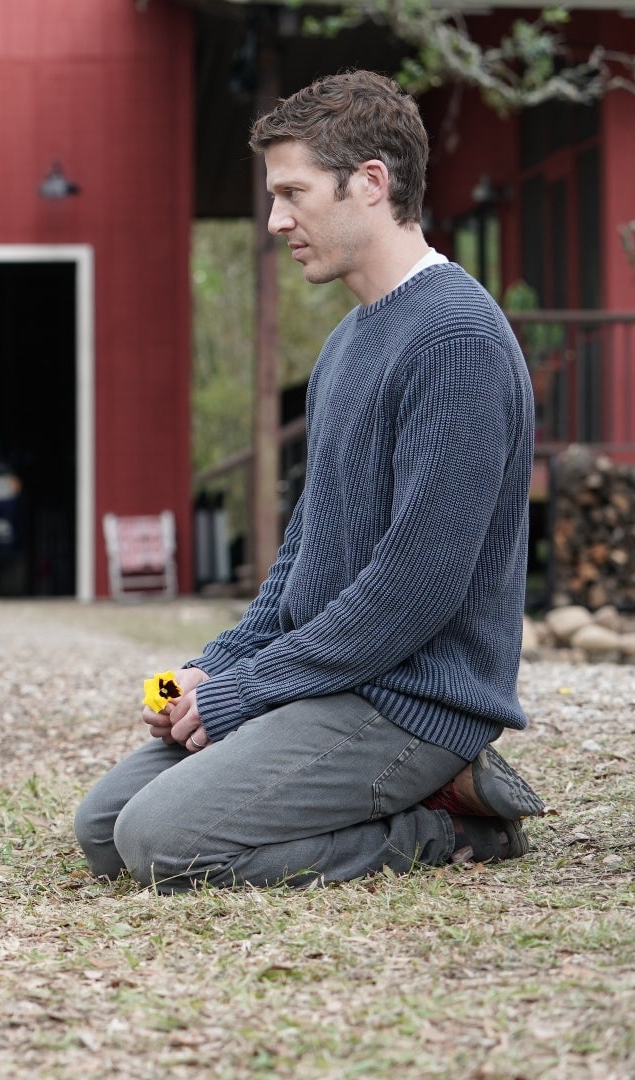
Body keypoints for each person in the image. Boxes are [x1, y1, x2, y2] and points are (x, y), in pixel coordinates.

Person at [74, 71, 546, 892]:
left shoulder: (457, 342)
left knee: (165, 842)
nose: (275, 220)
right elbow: (303, 557)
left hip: (409, 705)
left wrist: (245, 695)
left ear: (371, 182)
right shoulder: (346, 345)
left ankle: (451, 826)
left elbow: (414, 590)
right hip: (333, 685)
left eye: (292, 192)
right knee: (106, 829)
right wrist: (214, 667)